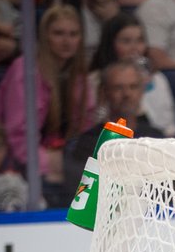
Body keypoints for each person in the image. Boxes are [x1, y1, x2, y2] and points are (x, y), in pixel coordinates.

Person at [0, 3, 95, 208]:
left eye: (73, 34)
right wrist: (52, 164)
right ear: (44, 36)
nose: (67, 41)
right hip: (27, 162)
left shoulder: (79, 74)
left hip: (66, 157)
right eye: (58, 33)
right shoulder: (24, 72)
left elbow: (86, 128)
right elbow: (17, 138)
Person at [63, 59, 164, 194]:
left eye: (133, 87)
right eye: (118, 88)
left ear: (141, 91)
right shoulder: (88, 143)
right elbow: (84, 195)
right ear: (105, 93)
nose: (127, 94)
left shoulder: (156, 138)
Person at [89, 12, 175, 137]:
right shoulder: (94, 81)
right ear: (111, 44)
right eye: (126, 41)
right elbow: (93, 126)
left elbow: (169, 129)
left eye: (140, 41)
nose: (135, 48)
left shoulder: (157, 80)